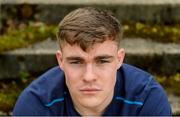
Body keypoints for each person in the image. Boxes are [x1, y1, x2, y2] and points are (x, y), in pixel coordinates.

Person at [13, 7, 171, 116]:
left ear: (119, 59)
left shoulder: (146, 98)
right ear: (60, 61)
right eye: (76, 62)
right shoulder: (36, 105)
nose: (89, 77)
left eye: (102, 61)